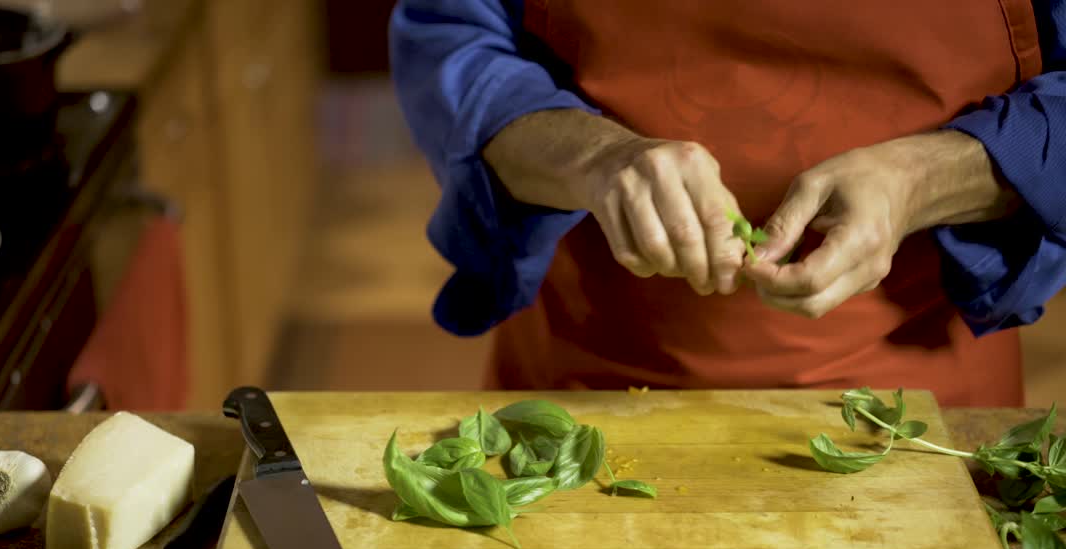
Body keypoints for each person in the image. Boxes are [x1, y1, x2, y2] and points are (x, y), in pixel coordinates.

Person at [389, 0, 1066, 406]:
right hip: (583, 387)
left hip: (922, 409)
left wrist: (926, 177)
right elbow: (452, 38)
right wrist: (593, 156)